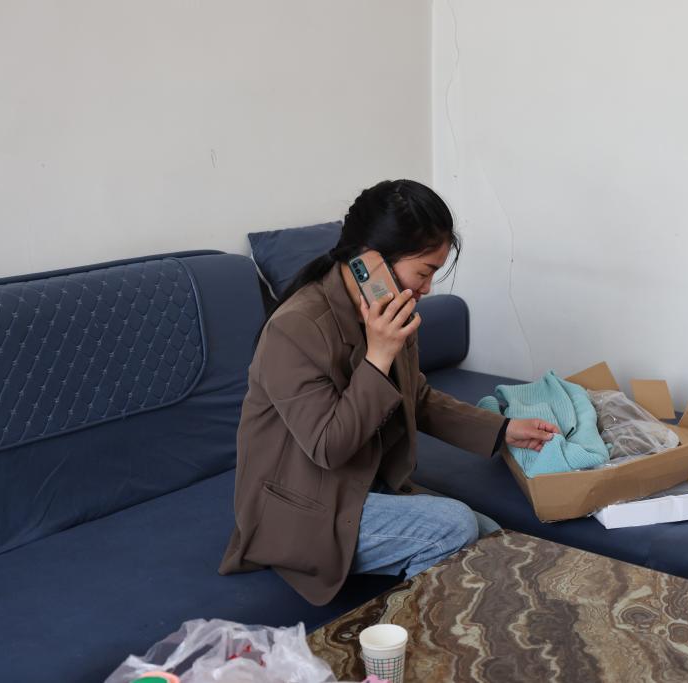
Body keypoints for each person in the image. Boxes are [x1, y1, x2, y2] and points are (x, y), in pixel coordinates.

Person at [219, 179, 560, 605]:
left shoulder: (389, 309)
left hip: (364, 486)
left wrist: (503, 429)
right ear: (370, 261)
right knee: (455, 526)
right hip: (298, 509)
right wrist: (378, 357)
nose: (427, 288)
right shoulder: (295, 329)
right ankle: (405, 641)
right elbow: (328, 447)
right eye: (425, 272)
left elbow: (416, 397)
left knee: (495, 542)